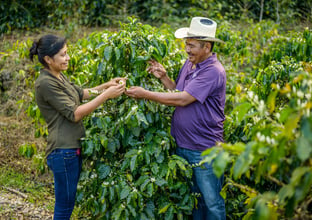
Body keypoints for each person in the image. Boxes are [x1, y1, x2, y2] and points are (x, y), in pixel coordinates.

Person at [125, 17, 226, 219]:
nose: (187, 50)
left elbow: (183, 99)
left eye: (192, 46)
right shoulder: (190, 64)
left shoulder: (213, 71)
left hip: (204, 148)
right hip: (184, 145)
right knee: (195, 199)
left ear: (207, 46)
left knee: (212, 202)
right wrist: (163, 77)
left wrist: (145, 94)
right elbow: (177, 90)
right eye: (186, 45)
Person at [29, 34, 126, 219]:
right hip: (63, 150)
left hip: (71, 149)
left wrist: (107, 85)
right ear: (48, 59)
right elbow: (74, 114)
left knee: (68, 202)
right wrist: (107, 95)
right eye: (63, 55)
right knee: (64, 206)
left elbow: (81, 93)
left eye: (67, 53)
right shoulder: (45, 83)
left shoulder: (57, 76)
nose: (68, 58)